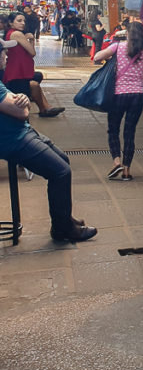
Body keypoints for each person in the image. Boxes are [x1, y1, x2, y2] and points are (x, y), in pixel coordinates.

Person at [0, 38, 96, 242]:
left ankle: (63, 219)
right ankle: (62, 230)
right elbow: (22, 111)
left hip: (21, 132)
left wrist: (22, 102)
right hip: (12, 140)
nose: (6, 56)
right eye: (3, 52)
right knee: (61, 172)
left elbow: (20, 106)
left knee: (63, 160)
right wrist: (23, 104)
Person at [93, 22, 143, 181]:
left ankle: (116, 162)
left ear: (127, 33)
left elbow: (97, 57)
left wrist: (110, 56)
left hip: (117, 95)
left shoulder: (118, 46)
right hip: (137, 95)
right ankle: (127, 170)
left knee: (113, 129)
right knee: (129, 132)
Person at [4, 12, 64, 117]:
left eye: (24, 21)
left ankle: (46, 108)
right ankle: (45, 108)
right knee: (34, 85)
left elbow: (30, 54)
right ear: (11, 23)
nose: (22, 23)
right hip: (17, 73)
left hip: (18, 71)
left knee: (35, 85)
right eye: (19, 21)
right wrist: (30, 38)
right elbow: (32, 52)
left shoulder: (12, 33)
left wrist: (30, 39)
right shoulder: (17, 34)